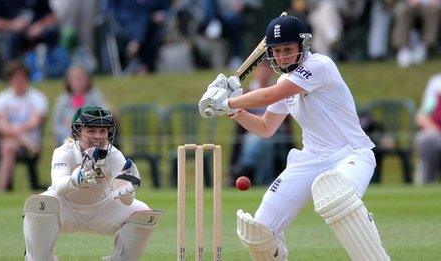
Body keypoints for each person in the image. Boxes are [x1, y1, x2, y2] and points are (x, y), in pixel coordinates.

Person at [198, 15, 390, 260]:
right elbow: (266, 127)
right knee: (259, 232)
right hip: (310, 160)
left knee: (336, 195)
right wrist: (234, 111)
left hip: (351, 155)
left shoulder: (319, 66)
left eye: (287, 49)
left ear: (304, 45)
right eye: (276, 51)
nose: (282, 57)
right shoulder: (286, 81)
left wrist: (226, 101)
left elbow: (271, 95)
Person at [23, 105, 163, 260]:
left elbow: (127, 201)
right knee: (41, 204)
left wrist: (126, 190)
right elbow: (58, 186)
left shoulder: (114, 155)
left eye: (102, 131)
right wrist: (77, 179)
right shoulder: (64, 152)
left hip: (102, 208)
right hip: (66, 207)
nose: (98, 136)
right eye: (91, 130)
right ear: (77, 132)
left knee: (143, 213)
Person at [0, 60, 48, 192]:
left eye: (22, 79)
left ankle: (0, 191)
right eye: (15, 78)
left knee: (8, 146)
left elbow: (35, 122)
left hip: (30, 138)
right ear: (10, 80)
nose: (19, 82)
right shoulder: (2, 98)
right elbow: (2, 122)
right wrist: (20, 136)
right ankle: (23, 140)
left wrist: (17, 130)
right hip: (19, 140)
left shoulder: (38, 98)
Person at [52, 65, 107, 145]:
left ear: (87, 80)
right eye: (74, 78)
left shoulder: (95, 96)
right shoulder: (62, 100)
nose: (77, 82)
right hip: (69, 140)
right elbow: (56, 127)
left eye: (80, 78)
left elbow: (105, 116)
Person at [414, 73, 441, 184]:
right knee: (427, 140)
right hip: (437, 134)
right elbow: (422, 116)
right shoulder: (437, 83)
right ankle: (425, 183)